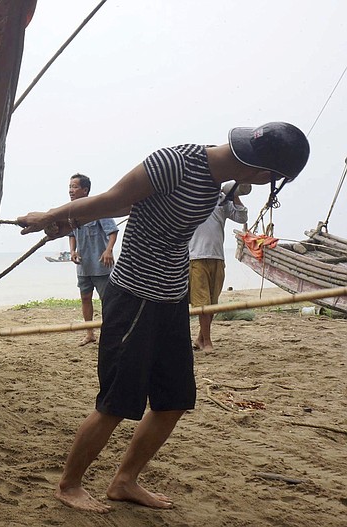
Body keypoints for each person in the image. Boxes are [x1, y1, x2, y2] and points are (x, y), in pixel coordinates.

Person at [17, 122, 309, 513]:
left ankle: (124, 481)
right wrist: (54, 217)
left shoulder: (218, 181)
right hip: (135, 294)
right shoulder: (175, 161)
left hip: (172, 296)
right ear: (260, 171)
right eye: (273, 180)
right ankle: (69, 484)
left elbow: (125, 206)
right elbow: (116, 198)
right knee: (117, 402)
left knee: (174, 400)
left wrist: (68, 220)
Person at [188, 182, 249, 352]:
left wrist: (233, 193)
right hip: (196, 258)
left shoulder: (221, 201)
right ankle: (207, 341)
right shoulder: (192, 199)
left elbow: (242, 218)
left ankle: (200, 338)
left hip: (217, 258)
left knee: (212, 303)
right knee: (202, 303)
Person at [67, 174, 118, 346]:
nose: (71, 190)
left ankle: (111, 333)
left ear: (85, 190)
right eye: (70, 187)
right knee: (85, 298)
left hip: (101, 265)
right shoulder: (72, 212)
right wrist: (72, 251)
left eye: (74, 187)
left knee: (107, 300)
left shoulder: (97, 209)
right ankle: (90, 333)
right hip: (83, 266)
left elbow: (113, 231)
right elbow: (72, 234)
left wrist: (108, 250)